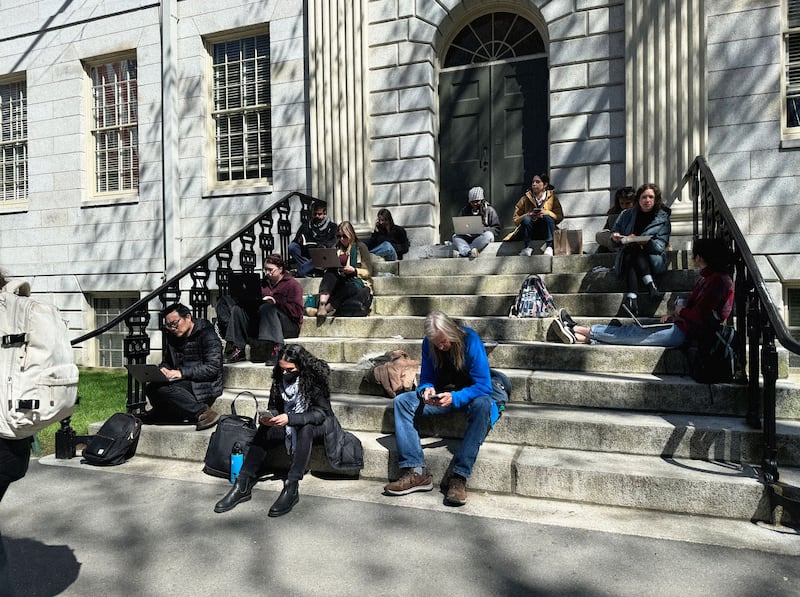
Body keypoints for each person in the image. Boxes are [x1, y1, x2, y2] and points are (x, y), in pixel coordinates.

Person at [213, 344, 363, 516]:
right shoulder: (279, 378)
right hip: (289, 423)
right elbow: (274, 407)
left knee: (304, 427)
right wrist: (270, 417)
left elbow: (321, 413)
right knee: (264, 429)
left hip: (320, 425)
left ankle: (292, 485)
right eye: (282, 369)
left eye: (289, 370)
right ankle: (243, 483)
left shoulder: (314, 379)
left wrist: (290, 418)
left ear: (301, 366)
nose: (284, 373)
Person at [384, 311, 499, 507]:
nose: (441, 347)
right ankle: (416, 472)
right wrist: (425, 390)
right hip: (441, 398)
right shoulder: (429, 344)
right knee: (402, 401)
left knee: (484, 405)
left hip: (469, 397)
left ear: (452, 332)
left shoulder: (470, 340)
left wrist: (455, 397)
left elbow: (484, 386)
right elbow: (427, 378)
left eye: (444, 342)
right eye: (437, 344)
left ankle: (459, 477)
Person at [553, 238, 734, 347]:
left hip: (687, 333)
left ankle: (576, 328)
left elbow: (700, 316)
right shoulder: (708, 278)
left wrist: (680, 312)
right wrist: (674, 315)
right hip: (683, 327)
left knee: (632, 334)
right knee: (634, 333)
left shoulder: (718, 281)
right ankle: (577, 338)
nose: (693, 260)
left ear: (701, 257)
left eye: (695, 255)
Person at [143, 303, 223, 430]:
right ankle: (161, 413)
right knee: (151, 388)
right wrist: (163, 370)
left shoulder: (208, 335)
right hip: (183, 380)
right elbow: (168, 361)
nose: (172, 328)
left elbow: (212, 368)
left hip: (204, 383)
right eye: (168, 325)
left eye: (175, 323)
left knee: (165, 390)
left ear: (188, 317)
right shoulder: (173, 337)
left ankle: (204, 412)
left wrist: (181, 373)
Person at [216, 254, 304, 366]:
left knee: (268, 308)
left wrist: (276, 302)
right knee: (238, 309)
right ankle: (237, 348)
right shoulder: (263, 284)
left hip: (288, 325)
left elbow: (296, 312)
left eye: (270, 270)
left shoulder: (293, 285)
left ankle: (277, 348)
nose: (267, 273)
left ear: (281, 269)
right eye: (265, 269)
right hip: (264, 323)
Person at [607, 183, 671, 316]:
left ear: (656, 199)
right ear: (638, 199)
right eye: (644, 197)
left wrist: (646, 242)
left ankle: (632, 297)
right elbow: (613, 238)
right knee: (632, 249)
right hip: (629, 254)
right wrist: (615, 237)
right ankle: (650, 286)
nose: (647, 200)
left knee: (633, 249)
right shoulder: (626, 214)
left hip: (653, 259)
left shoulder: (663, 217)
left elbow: (660, 247)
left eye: (651, 197)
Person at [306, 221, 372, 322]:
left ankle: (326, 310)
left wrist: (354, 270)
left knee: (350, 287)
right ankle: (322, 305)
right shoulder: (336, 248)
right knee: (330, 273)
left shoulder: (360, 247)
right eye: (339, 236)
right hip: (341, 279)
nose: (341, 239)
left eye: (344, 236)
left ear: (351, 234)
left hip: (357, 281)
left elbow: (368, 272)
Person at [505, 173, 564, 256]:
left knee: (547, 217)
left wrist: (546, 212)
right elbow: (515, 219)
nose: (534, 184)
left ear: (545, 184)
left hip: (545, 230)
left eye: (537, 182)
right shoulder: (525, 199)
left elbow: (560, 216)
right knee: (526, 219)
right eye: (533, 182)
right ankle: (527, 247)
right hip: (530, 231)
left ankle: (549, 246)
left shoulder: (552, 198)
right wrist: (529, 214)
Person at [287, 201, 338, 277]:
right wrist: (298, 241)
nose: (316, 216)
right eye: (314, 214)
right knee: (292, 246)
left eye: (319, 214)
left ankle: (301, 271)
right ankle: (313, 269)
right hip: (307, 255)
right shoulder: (305, 226)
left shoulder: (332, 226)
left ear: (325, 213)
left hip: (322, 254)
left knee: (321, 253)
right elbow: (295, 241)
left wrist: (324, 245)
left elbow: (334, 241)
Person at [451, 186, 501, 258]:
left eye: (477, 201)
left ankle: (465, 252)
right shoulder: (464, 211)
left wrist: (482, 229)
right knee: (455, 236)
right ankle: (469, 252)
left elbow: (497, 229)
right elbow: (459, 226)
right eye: (472, 202)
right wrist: (460, 229)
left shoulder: (489, 210)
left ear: (482, 200)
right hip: (467, 237)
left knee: (489, 235)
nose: (474, 204)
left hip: (481, 238)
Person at [596, 186, 636, 253]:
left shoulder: (638, 212)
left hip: (632, 239)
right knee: (600, 236)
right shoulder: (614, 212)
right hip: (616, 239)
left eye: (628, 203)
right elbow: (607, 229)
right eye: (622, 203)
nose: (624, 206)